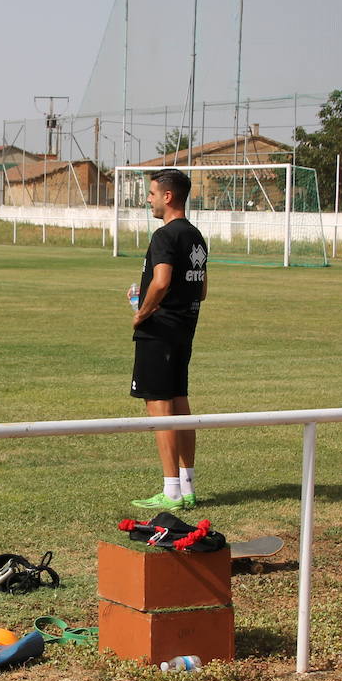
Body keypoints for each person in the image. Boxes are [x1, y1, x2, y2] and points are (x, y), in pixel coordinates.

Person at [129, 168, 207, 512]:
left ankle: (171, 491)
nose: (148, 199)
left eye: (151, 193)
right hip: (184, 329)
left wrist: (141, 312)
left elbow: (160, 282)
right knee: (180, 404)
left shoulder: (164, 236)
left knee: (159, 408)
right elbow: (202, 290)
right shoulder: (196, 236)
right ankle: (187, 486)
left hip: (158, 331)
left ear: (167, 196)